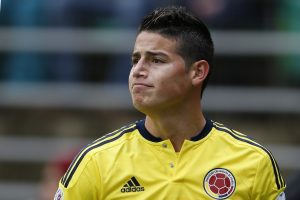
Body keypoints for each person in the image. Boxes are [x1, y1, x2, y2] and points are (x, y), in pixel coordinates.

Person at [54, 6, 286, 199]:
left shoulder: (255, 162)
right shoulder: (95, 162)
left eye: (156, 60)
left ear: (198, 72)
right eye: (135, 60)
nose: (138, 71)